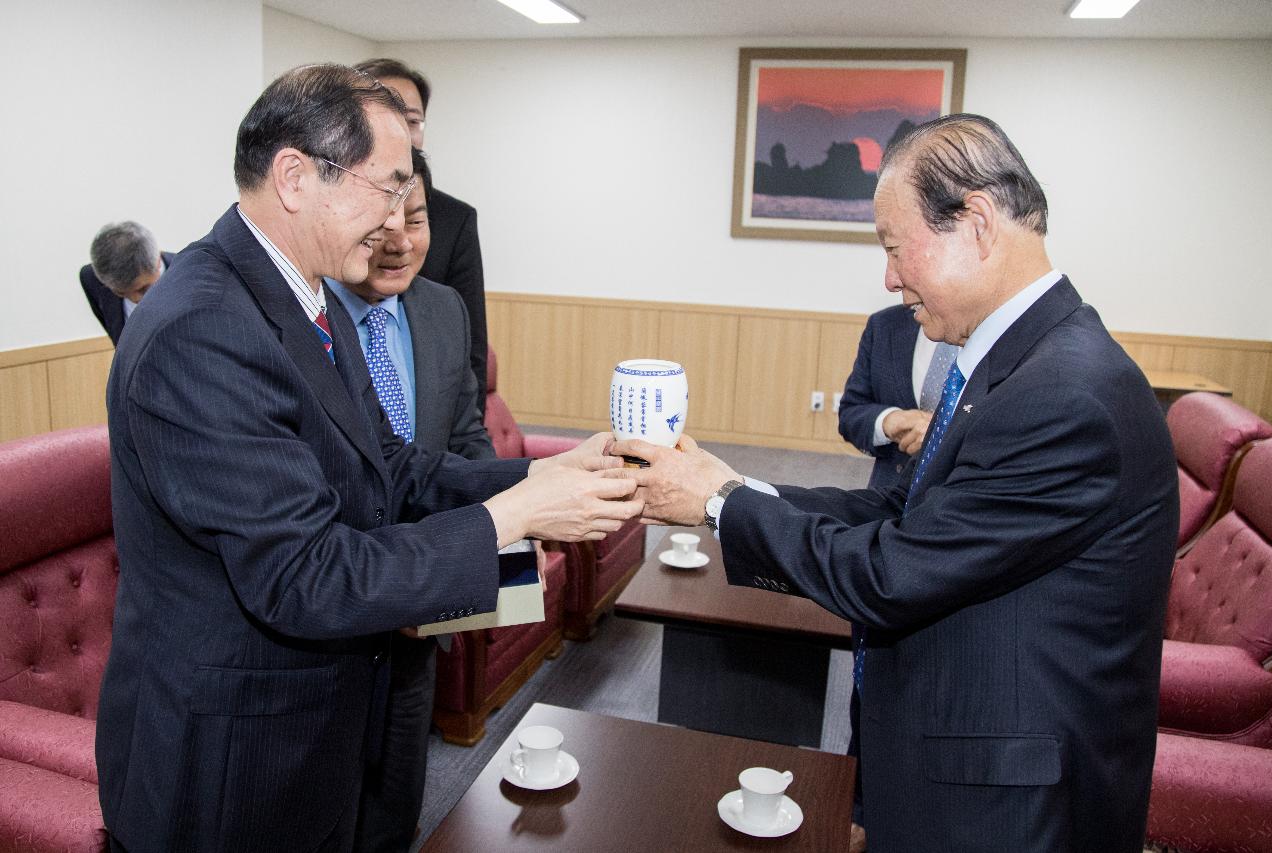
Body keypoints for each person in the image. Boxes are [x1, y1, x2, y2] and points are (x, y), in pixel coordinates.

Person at [95, 64, 640, 853]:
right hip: (231, 771)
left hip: (323, 731)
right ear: (294, 176)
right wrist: (510, 517)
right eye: (385, 188)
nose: (396, 221)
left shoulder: (310, 296)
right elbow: (303, 574)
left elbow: (393, 465)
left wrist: (541, 476)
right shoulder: (201, 329)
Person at [614, 114, 1178, 852]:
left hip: (1010, 805)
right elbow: (898, 507)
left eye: (892, 245)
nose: (887, 277)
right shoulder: (1017, 359)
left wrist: (718, 505)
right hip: (955, 751)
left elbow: (892, 572)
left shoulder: (1065, 394)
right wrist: (731, 482)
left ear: (974, 221)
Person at [327, 148, 492, 852]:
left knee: (398, 807)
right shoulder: (304, 322)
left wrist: (507, 523)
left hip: (422, 623)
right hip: (328, 629)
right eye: (382, 221)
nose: (399, 240)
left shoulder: (443, 310)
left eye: (417, 219)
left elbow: (465, 441)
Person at [356, 58, 489, 417]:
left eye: (411, 120)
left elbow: (465, 416)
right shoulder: (317, 304)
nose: (400, 242)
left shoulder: (443, 306)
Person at [838, 304, 959, 488]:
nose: (891, 283)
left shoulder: (1003, 331)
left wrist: (944, 435)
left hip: (963, 500)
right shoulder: (884, 324)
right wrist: (887, 420)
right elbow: (850, 414)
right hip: (887, 499)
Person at [79, 221, 171, 345]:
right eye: (120, 292)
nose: (135, 299)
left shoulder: (195, 275)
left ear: (157, 261)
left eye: (143, 289)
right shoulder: (91, 280)